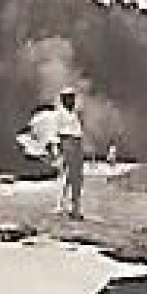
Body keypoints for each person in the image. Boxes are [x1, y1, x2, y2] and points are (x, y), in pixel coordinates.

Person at [52, 88, 87, 218]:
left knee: (77, 178)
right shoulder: (59, 114)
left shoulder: (77, 113)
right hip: (66, 143)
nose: (71, 100)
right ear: (62, 99)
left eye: (72, 97)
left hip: (77, 144)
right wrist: (57, 149)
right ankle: (60, 205)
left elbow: (80, 130)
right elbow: (56, 132)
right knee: (65, 176)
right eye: (67, 97)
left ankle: (76, 208)